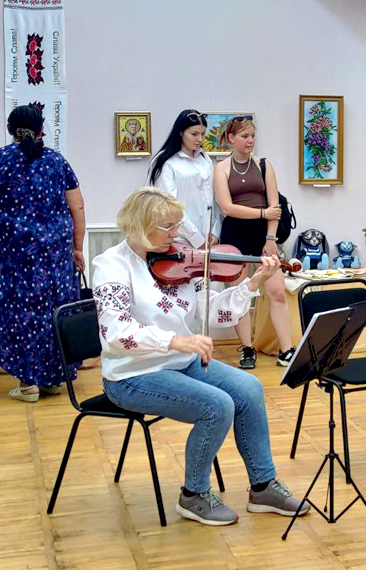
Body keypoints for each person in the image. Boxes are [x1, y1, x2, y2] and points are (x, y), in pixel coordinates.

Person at [93, 187, 308, 526]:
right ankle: (193, 494)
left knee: (249, 389)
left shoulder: (178, 260)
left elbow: (213, 312)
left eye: (177, 225)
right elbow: (116, 332)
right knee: (217, 405)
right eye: (168, 227)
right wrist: (175, 340)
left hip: (181, 363)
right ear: (139, 225)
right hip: (132, 375)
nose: (176, 234)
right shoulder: (111, 266)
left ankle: (263, 486)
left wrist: (253, 283)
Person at [0, 104, 85, 403]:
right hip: (56, 253)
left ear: (10, 130)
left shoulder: (2, 160)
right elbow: (77, 207)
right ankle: (53, 378)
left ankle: (29, 384)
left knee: (21, 312)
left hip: (16, 253)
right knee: (57, 309)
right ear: (41, 130)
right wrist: (77, 247)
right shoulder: (57, 161)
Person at [213, 116, 294, 369]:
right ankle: (247, 348)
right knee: (240, 295)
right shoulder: (221, 169)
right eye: (244, 136)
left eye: (252, 136)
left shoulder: (264, 165)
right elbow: (227, 208)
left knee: (276, 291)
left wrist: (270, 238)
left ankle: (287, 350)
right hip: (235, 234)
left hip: (263, 234)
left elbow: (274, 207)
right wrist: (262, 213)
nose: (250, 141)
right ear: (231, 138)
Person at [148, 110, 221, 249]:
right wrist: (197, 238)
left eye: (203, 134)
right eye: (194, 134)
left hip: (208, 238)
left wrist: (215, 231)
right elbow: (169, 206)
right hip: (177, 238)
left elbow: (214, 199)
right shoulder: (166, 161)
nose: (200, 139)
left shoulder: (205, 159)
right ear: (181, 132)